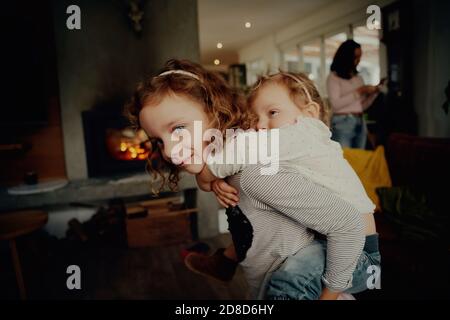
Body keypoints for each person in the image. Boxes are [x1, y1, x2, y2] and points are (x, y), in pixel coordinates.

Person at [125, 60, 380, 299]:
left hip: (356, 252)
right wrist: (212, 181)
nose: (168, 151)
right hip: (324, 260)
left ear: (215, 113)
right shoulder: (244, 161)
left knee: (292, 277)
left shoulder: (263, 164)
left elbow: (346, 225)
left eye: (178, 128)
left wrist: (330, 296)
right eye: (158, 140)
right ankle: (224, 261)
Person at [327, 39, 383, 149]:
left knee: (359, 159)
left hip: (360, 121)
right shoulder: (333, 77)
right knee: (345, 159)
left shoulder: (359, 78)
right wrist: (359, 91)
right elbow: (335, 105)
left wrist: (373, 94)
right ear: (346, 57)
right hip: (342, 122)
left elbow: (362, 106)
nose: (358, 61)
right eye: (355, 57)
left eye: (360, 57)